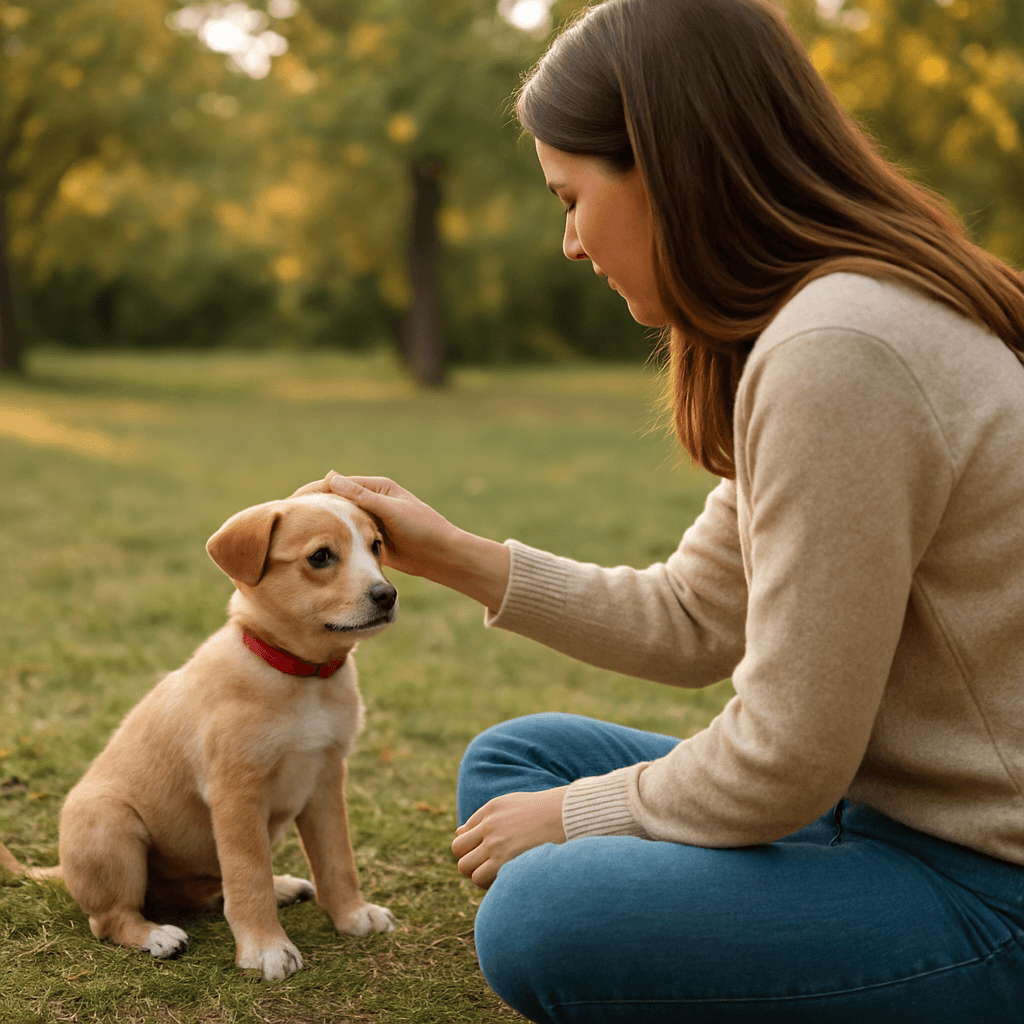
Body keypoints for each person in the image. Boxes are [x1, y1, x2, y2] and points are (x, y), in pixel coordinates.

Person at [324, 0, 1024, 1019]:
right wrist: (456, 555)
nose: (568, 240)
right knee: (515, 763)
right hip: (874, 811)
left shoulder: (838, 352)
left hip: (986, 880)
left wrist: (577, 821)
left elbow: (786, 756)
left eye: (570, 197)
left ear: (660, 165)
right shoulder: (817, 318)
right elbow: (697, 616)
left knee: (541, 916)